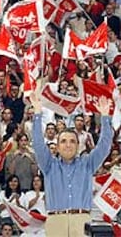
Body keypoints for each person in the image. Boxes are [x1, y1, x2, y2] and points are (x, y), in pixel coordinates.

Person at [31, 92, 112, 237]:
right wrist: (37, 114)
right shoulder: (49, 165)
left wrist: (105, 117)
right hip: (56, 221)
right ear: (57, 145)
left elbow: (104, 146)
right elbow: (37, 144)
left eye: (72, 141)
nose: (68, 145)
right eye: (63, 141)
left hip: (82, 222)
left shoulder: (87, 164)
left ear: (78, 145)